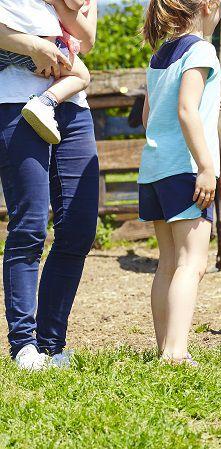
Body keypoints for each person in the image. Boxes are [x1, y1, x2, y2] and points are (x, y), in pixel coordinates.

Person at [0, 0, 98, 370]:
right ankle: (24, 345)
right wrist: (34, 46)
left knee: (78, 228)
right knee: (29, 226)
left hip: (72, 103)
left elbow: (86, 40)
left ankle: (51, 345)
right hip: (12, 100)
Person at [139, 0, 221, 365]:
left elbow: (148, 115)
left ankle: (165, 349)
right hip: (187, 169)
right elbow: (187, 110)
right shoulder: (202, 49)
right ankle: (175, 353)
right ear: (208, 6)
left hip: (156, 167)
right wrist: (206, 166)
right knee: (193, 263)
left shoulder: (160, 54)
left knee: (168, 263)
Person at [0, 0, 94, 144]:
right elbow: (76, 3)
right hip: (37, 38)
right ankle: (44, 103)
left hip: (10, 38)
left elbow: (87, 43)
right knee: (81, 76)